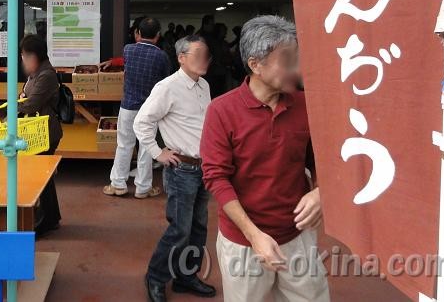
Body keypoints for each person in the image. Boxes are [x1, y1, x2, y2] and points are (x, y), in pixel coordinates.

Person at [200, 16, 329, 302]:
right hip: (244, 242)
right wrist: (254, 236)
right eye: (288, 61)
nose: (297, 68)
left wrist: (322, 191)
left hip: (297, 236)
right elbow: (216, 178)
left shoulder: (305, 105)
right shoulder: (222, 111)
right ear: (255, 64)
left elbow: (321, 159)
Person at [134, 35, 216, 302]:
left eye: (206, 55)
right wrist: (158, 152)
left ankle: (186, 276)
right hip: (182, 170)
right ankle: (156, 277)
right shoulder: (167, 87)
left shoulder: (203, 85)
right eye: (197, 54)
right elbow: (142, 122)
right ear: (181, 58)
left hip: (203, 168)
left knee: (198, 227)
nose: (204, 60)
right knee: (179, 229)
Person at [104, 17, 170, 199]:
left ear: (138, 33)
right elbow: (166, 82)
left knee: (124, 145)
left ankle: (117, 184)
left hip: (128, 107)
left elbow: (125, 63)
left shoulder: (128, 49)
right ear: (158, 35)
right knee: (147, 147)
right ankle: (143, 188)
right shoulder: (162, 56)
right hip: (150, 109)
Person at [19, 34, 63, 236]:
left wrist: (16, 105)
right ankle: (50, 217)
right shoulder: (37, 72)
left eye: (25, 55)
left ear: (34, 55)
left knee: (41, 176)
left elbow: (31, 103)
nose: (23, 59)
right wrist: (22, 98)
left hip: (46, 132)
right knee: (43, 177)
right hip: (37, 130)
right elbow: (25, 96)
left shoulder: (46, 74)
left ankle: (47, 219)